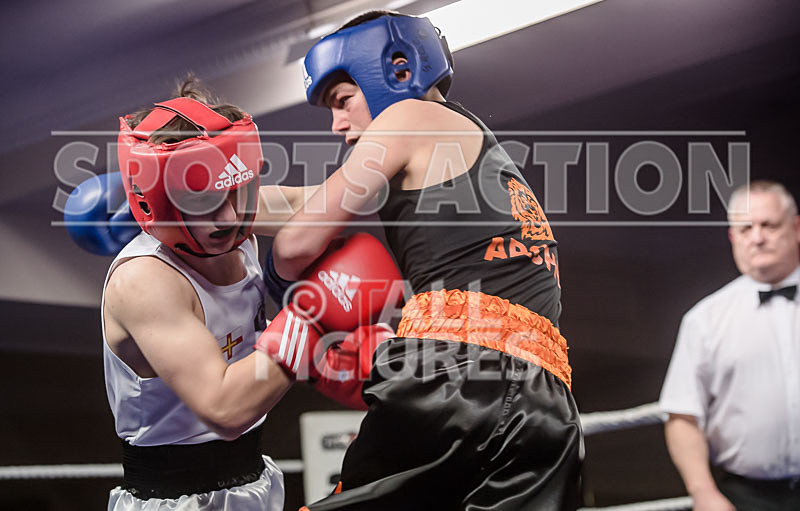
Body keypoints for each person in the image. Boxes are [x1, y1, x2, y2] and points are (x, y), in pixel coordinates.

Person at [263, 11, 583, 510]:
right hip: (547, 400)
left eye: (342, 101)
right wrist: (192, 206)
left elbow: (296, 242)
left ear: (395, 69)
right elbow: (314, 200)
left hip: (458, 375)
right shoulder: (462, 137)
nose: (337, 124)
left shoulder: (404, 117)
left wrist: (282, 283)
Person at [65, 78, 392, 510]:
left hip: (253, 477)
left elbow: (328, 201)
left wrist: (421, 166)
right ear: (157, 202)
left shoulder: (233, 209)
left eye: (239, 190)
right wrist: (312, 317)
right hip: (172, 497)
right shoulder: (144, 279)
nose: (230, 218)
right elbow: (226, 409)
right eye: (204, 200)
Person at [659, 180, 800, 511]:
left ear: (795, 227)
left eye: (769, 225)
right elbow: (682, 415)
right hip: (745, 496)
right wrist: (703, 492)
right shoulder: (705, 319)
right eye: (746, 228)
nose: (758, 237)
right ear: (733, 236)